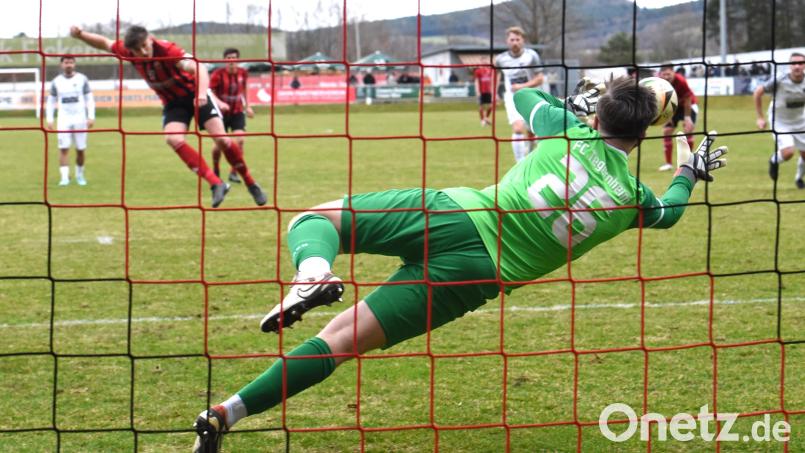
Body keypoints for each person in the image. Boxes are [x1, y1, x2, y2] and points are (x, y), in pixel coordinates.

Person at [191, 77, 727, 452]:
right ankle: (225, 415)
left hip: (454, 212)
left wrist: (575, 104)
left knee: (317, 220)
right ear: (644, 133)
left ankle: (312, 272)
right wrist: (687, 170)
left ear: (601, 111)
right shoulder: (634, 197)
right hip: (474, 278)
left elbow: (523, 95)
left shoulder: (566, 127)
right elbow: (671, 213)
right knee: (340, 341)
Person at [69, 25, 267, 207]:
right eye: (137, 50)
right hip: (173, 104)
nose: (143, 52)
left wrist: (200, 94)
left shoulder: (168, 51)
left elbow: (199, 68)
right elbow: (105, 43)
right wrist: (80, 35)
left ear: (151, 39)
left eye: (145, 46)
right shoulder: (128, 51)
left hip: (195, 94)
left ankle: (251, 183)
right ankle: (216, 184)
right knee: (172, 138)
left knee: (223, 141)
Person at [754, 52, 805, 188]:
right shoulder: (779, 80)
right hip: (780, 121)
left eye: (800, 63)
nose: (797, 66)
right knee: (788, 153)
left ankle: (799, 179)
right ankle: (774, 160)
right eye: (794, 63)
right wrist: (760, 117)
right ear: (789, 65)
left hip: (800, 121)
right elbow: (758, 92)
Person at [494, 26, 544, 163]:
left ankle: (530, 148)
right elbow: (496, 75)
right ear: (507, 41)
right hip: (511, 97)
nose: (514, 42)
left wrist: (522, 86)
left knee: (534, 129)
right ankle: (520, 164)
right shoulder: (500, 59)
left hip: (531, 95)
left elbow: (540, 78)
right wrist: (495, 94)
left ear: (523, 40)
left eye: (517, 39)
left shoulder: (532, 56)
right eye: (512, 39)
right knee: (518, 127)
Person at [46, 55, 95, 186]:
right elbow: (51, 101)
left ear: (75, 64)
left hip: (80, 119)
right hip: (64, 120)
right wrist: (50, 119)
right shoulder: (56, 81)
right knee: (63, 148)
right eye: (66, 62)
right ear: (61, 65)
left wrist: (91, 116)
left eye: (71, 62)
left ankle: (80, 176)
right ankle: (64, 178)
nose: (69, 65)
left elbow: (89, 99)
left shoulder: (82, 79)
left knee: (80, 149)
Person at [209, 48, 254, 185]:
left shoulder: (243, 73)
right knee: (218, 146)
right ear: (224, 60)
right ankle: (216, 170)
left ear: (238, 60)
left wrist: (248, 106)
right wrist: (220, 103)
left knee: (240, 140)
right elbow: (210, 92)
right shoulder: (217, 74)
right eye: (228, 58)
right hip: (220, 114)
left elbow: (245, 89)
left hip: (237, 112)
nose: (231, 61)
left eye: (233, 58)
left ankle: (234, 172)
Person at [657, 63, 698, 172]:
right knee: (667, 131)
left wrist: (687, 118)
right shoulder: (659, 82)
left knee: (688, 130)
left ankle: (689, 163)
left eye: (668, 74)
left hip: (688, 106)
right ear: (661, 74)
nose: (666, 77)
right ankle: (668, 164)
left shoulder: (681, 81)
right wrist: (667, 115)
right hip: (673, 107)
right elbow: (661, 100)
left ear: (673, 72)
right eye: (664, 74)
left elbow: (688, 99)